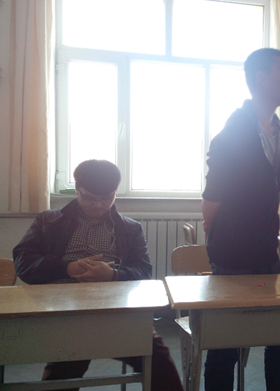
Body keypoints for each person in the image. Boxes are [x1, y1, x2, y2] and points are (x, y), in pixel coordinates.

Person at [12, 159, 183, 391]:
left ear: (115, 193)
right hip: (60, 312)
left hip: (113, 311)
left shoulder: (130, 228)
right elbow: (24, 263)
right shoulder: (48, 221)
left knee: (158, 358)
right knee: (67, 361)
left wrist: (113, 275)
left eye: (106, 198)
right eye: (90, 198)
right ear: (77, 190)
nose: (98, 205)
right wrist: (67, 268)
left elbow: (144, 272)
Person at [201, 48, 280, 391]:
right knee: (226, 344)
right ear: (261, 78)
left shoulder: (279, 130)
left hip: (266, 252)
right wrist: (219, 240)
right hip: (233, 254)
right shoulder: (233, 133)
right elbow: (212, 200)